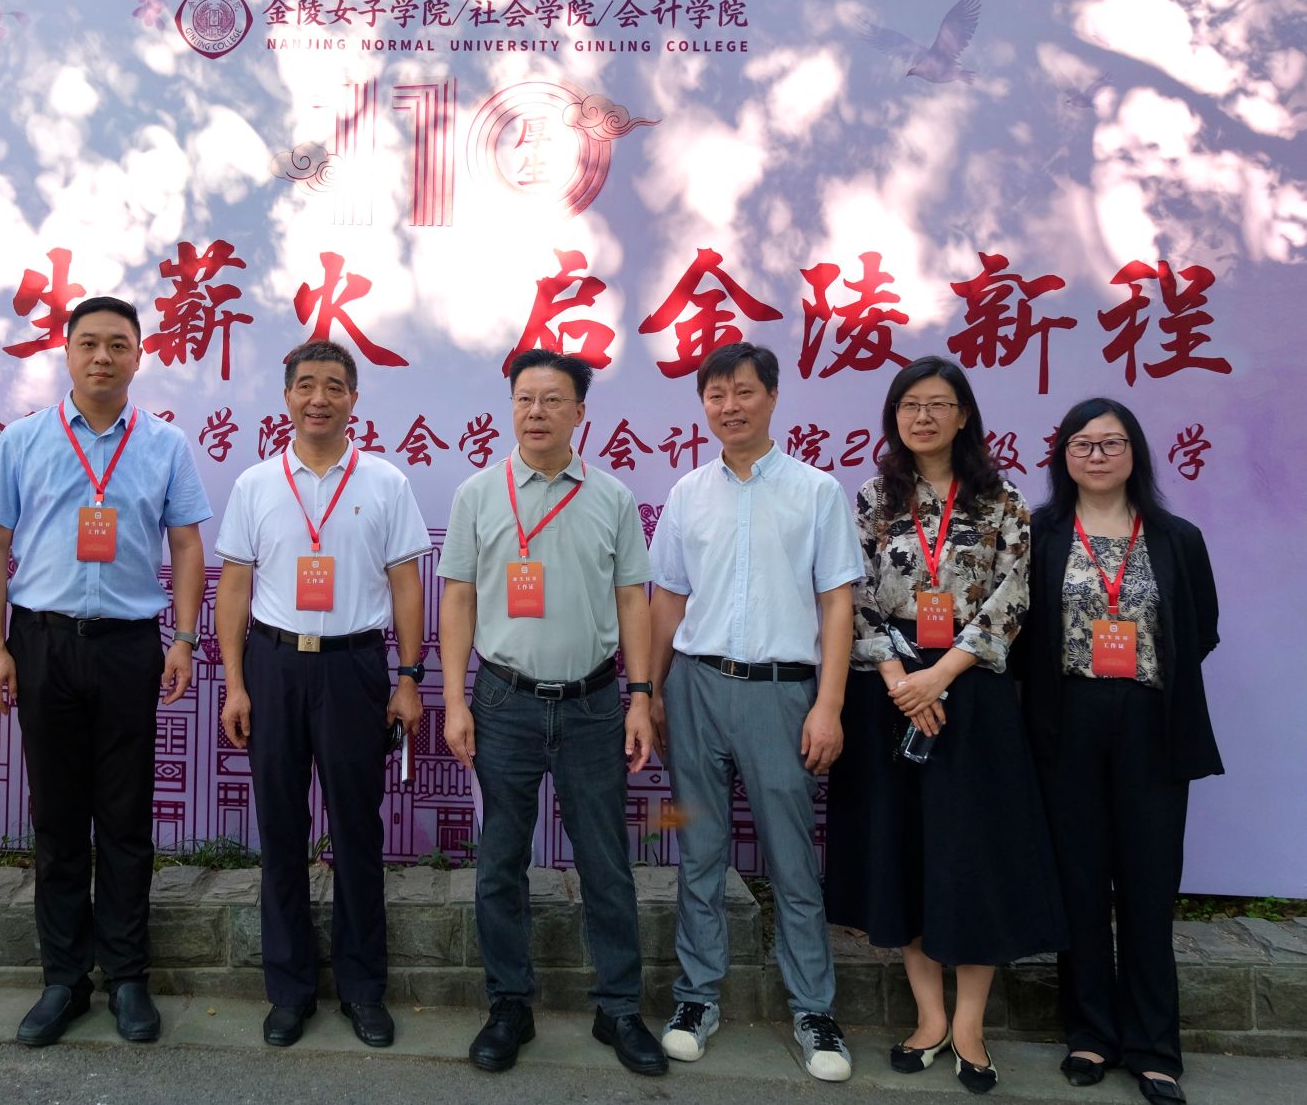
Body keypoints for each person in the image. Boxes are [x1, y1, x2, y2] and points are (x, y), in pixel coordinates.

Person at [0, 295, 211, 1048]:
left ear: (139, 355)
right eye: (89, 343)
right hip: (42, 642)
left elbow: (188, 546)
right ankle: (63, 979)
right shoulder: (24, 440)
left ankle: (128, 976)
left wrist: (183, 639)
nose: (102, 357)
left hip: (129, 646)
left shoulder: (165, 444)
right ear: (67, 352)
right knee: (58, 817)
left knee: (126, 816)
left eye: (118, 344)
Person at [824, 355, 1064, 1096]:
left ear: (963, 416)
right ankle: (928, 1016)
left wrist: (942, 674)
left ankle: (969, 1025)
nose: (923, 416)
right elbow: (852, 594)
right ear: (894, 416)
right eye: (910, 404)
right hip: (889, 688)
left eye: (938, 404)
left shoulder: (1001, 499)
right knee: (907, 848)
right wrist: (901, 679)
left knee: (972, 853)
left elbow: (1013, 597)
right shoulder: (873, 497)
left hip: (972, 690)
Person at [438, 349, 667, 1078]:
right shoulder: (478, 493)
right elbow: (458, 597)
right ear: (510, 407)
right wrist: (453, 698)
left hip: (594, 703)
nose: (536, 412)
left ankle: (619, 1007)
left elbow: (633, 599)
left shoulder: (613, 497)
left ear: (579, 413)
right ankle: (509, 1003)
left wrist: (640, 695)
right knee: (500, 860)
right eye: (524, 399)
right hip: (503, 700)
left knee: (606, 862)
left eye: (552, 399)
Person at [646, 342, 860, 1082]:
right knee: (698, 849)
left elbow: (838, 604)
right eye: (715, 395)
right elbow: (668, 601)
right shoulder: (687, 493)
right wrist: (651, 692)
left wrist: (828, 703)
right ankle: (695, 998)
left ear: (772, 396)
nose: (729, 406)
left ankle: (813, 1009)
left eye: (743, 391)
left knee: (792, 859)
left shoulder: (816, 491)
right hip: (695, 689)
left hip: (782, 693)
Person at [213, 340, 431, 1050]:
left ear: (353, 399)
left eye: (334, 386)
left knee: (357, 831)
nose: (319, 398)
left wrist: (408, 677)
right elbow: (235, 588)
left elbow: (406, 585)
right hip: (274, 665)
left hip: (353, 667)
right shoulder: (255, 484)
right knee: (280, 829)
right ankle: (289, 989)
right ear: (286, 397)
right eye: (306, 385)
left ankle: (363, 989)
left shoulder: (385, 482)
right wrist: (236, 683)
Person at [1017, 399, 1222, 1105]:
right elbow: (1020, 632)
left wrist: (1136, 678)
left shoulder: (1176, 537)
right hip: (1066, 719)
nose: (1097, 455)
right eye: (1083, 443)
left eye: (1111, 442)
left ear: (1135, 452)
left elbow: (1201, 628)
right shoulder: (1039, 534)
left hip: (1150, 721)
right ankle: (1090, 1033)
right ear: (1063, 457)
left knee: (1148, 885)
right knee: (1078, 881)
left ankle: (1154, 1047)